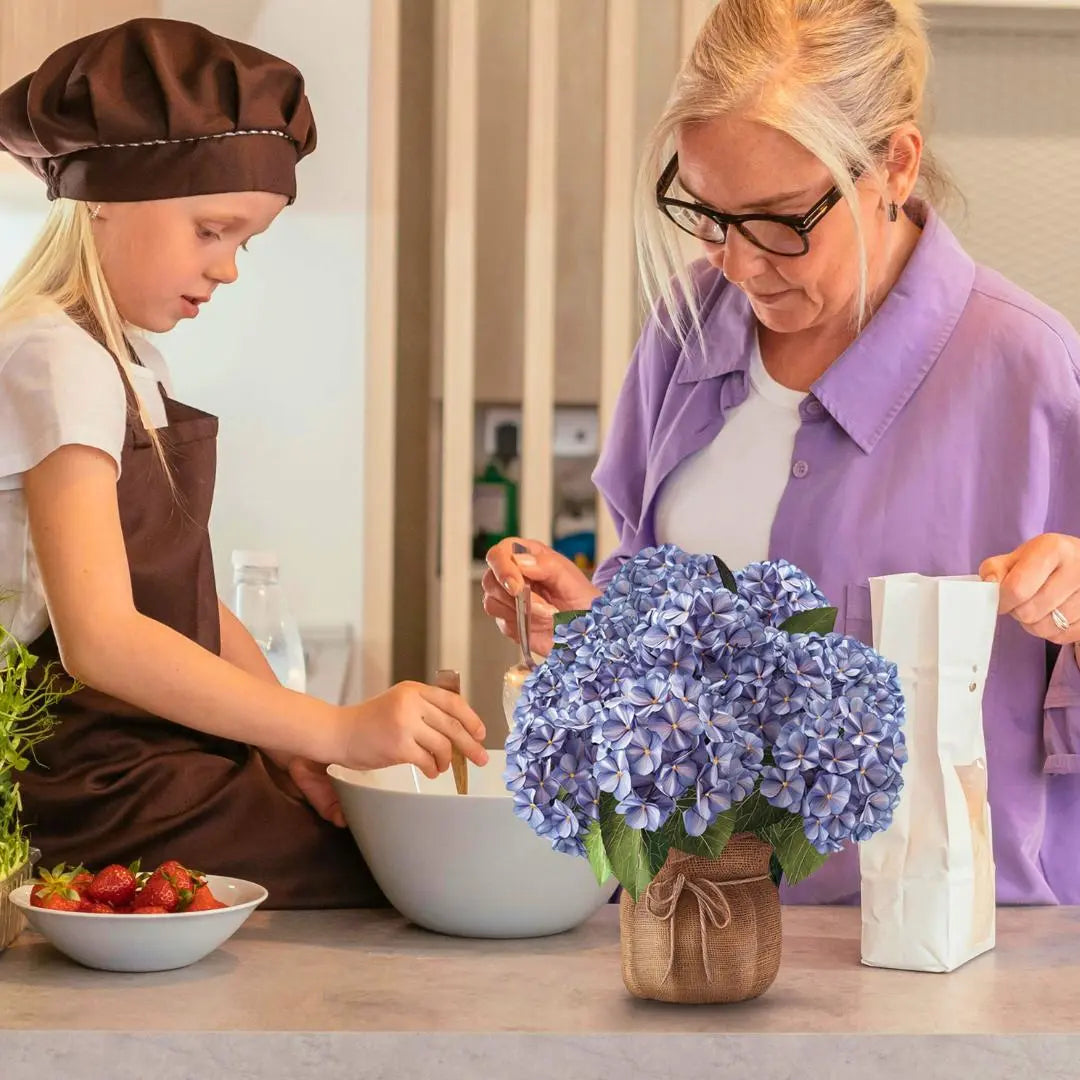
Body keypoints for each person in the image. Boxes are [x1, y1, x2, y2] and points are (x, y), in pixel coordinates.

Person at [483, 0, 1080, 905]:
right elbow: (664, 640)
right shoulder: (686, 331)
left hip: (933, 954)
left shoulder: (1028, 369)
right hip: (682, 927)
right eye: (708, 213)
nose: (739, 263)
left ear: (894, 164)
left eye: (778, 220)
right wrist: (583, 623)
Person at [0, 18, 487, 909]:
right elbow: (103, 640)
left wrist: (297, 746)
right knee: (390, 883)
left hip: (158, 756)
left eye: (244, 242)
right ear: (104, 196)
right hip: (104, 781)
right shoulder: (57, 360)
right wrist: (337, 721)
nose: (227, 269)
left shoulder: (125, 364)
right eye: (211, 229)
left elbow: (181, 597)